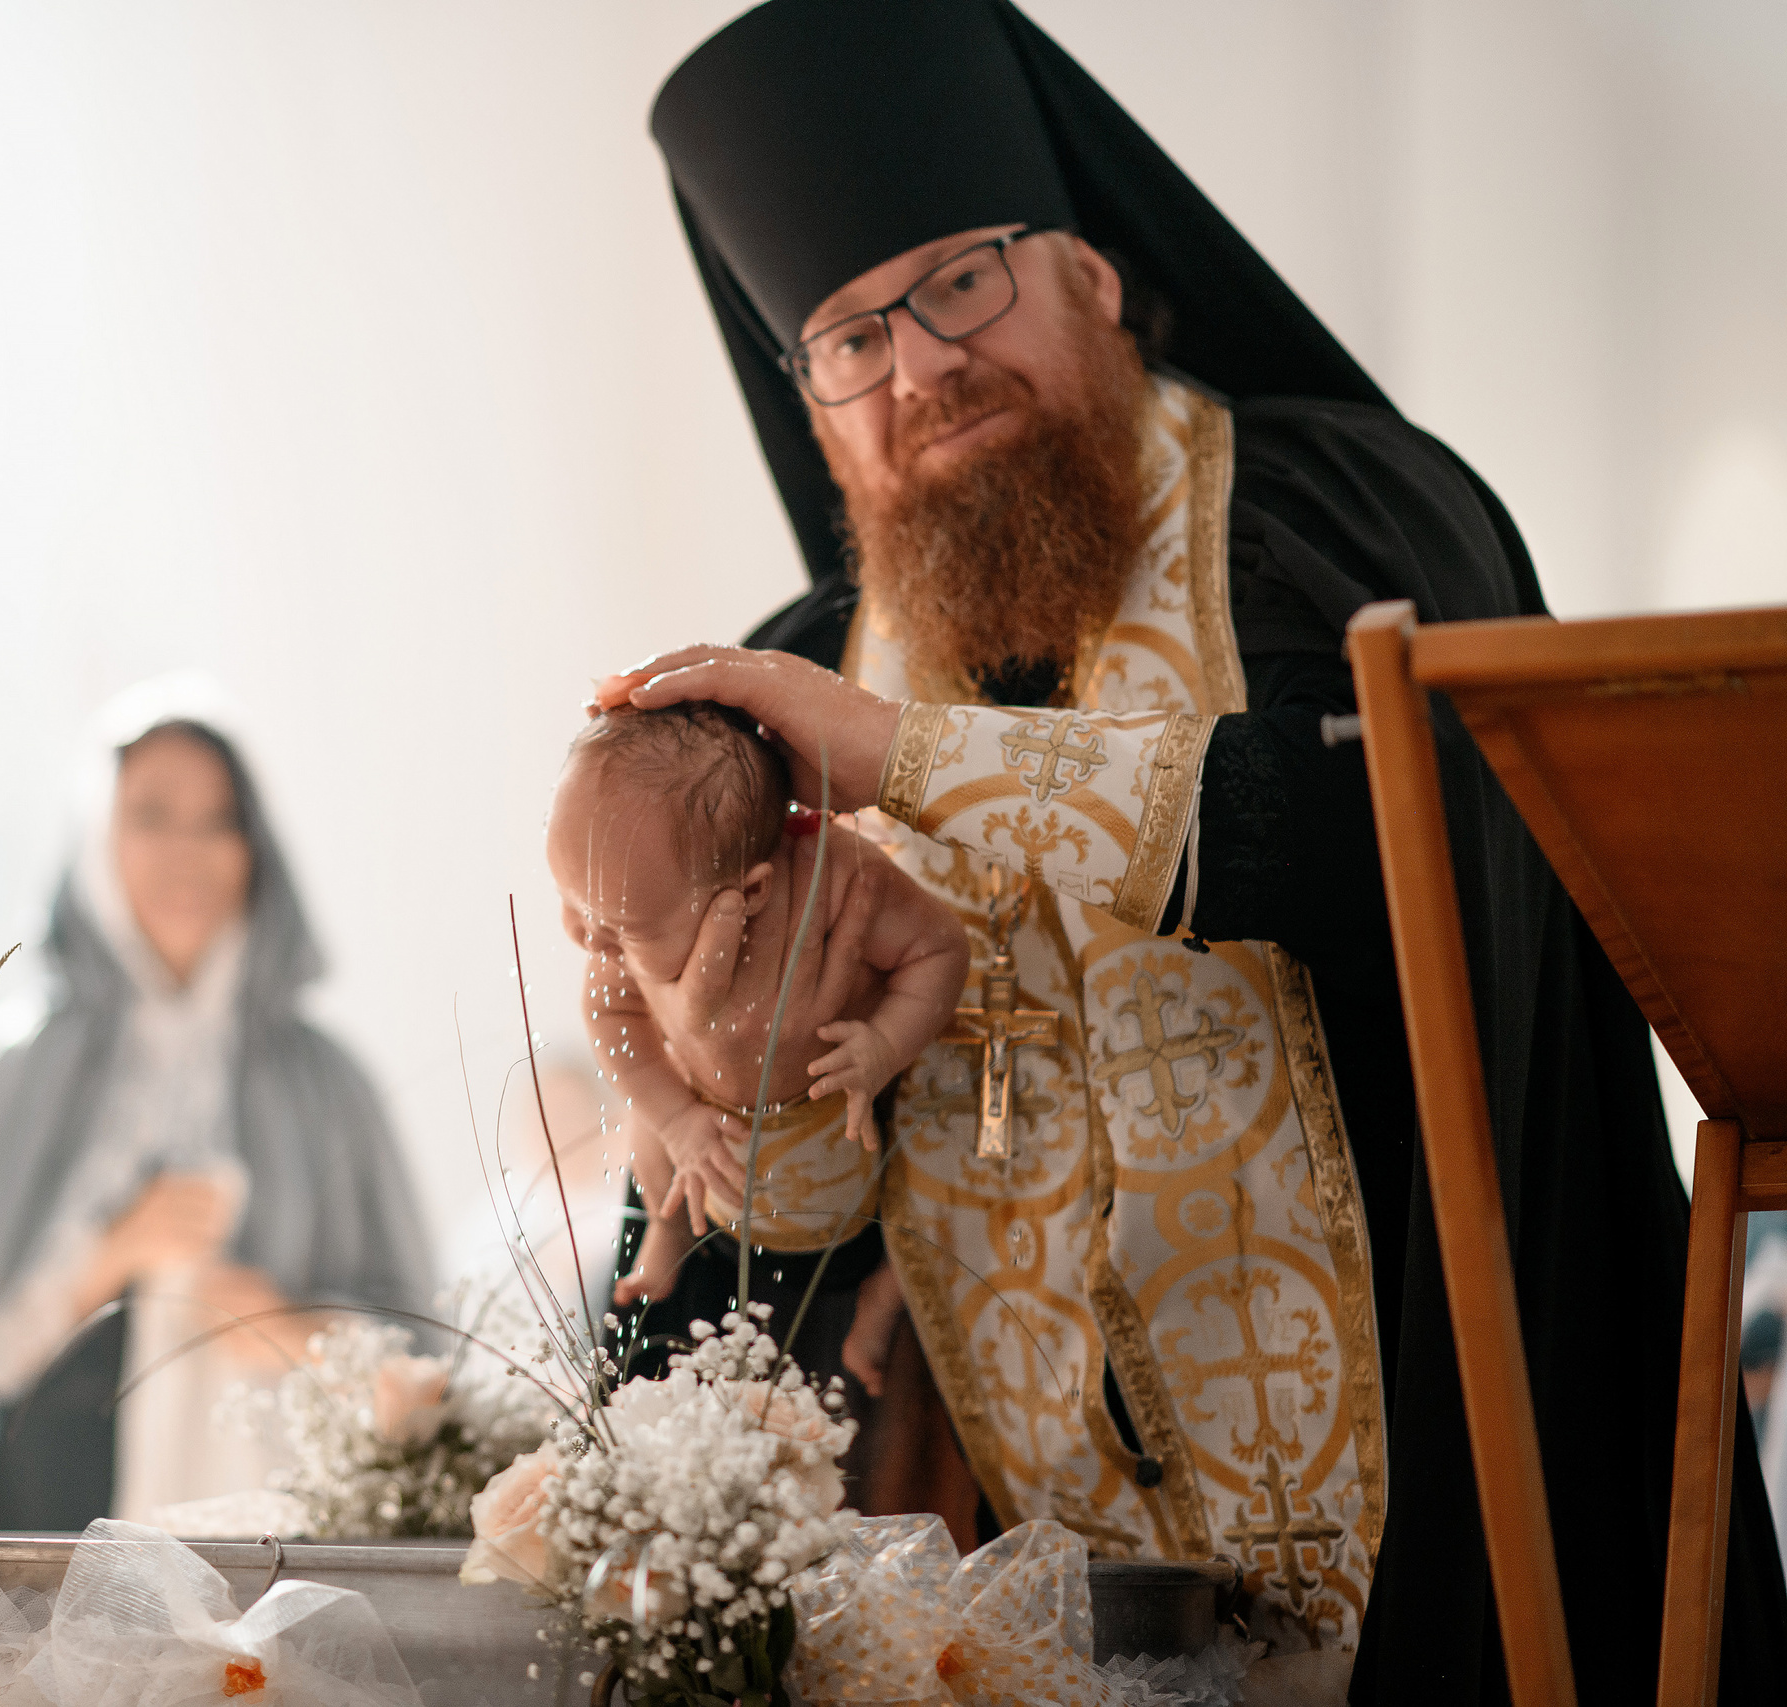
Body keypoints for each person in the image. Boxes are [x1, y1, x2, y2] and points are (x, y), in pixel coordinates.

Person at [598, 2, 1787, 1699]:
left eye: (964, 279)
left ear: (1097, 273)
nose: (924, 365)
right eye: (851, 337)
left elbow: (1413, 854)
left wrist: (920, 759)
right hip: (1038, 1621)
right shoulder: (798, 682)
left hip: (1432, 1539)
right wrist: (745, 1091)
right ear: (814, 408)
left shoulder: (1342, 524)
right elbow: (773, 1262)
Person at [0, 679, 432, 1533]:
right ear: (97, 839)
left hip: (266, 1517)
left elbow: (424, 1350)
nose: (188, 852)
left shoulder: (327, 1080)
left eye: (219, 821)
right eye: (153, 816)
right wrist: (113, 1255)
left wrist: (286, 1324)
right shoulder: (22, 1067)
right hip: (44, 1505)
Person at [545, 703, 966, 1309]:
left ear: (750, 892)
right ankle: (666, 1238)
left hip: (850, 1119)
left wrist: (887, 1043)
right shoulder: (620, 917)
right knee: (650, 1143)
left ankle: (888, 1296)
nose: (583, 936)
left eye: (622, 928)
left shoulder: (840, 879)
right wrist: (675, 1117)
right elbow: (609, 1022)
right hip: (709, 1123)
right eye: (570, 901)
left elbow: (940, 948)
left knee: (929, 1169)